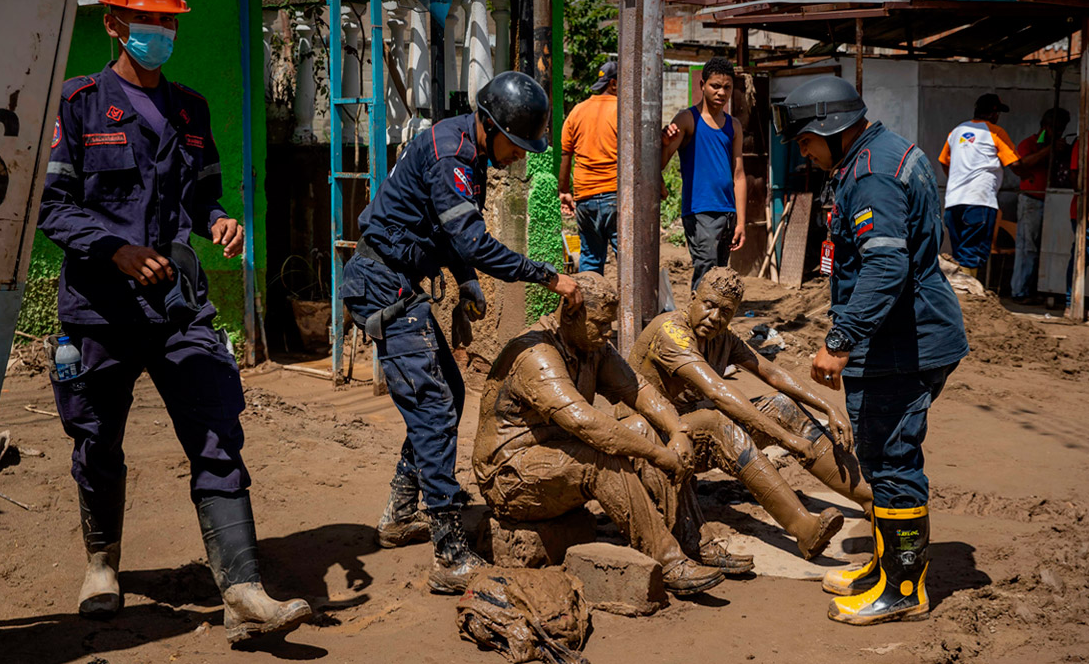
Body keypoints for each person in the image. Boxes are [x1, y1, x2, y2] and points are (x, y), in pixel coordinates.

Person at [38, 0, 310, 643]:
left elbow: (200, 196)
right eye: (148, 20)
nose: (161, 31)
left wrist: (218, 220)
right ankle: (102, 564)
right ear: (114, 23)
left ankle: (243, 591)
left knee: (218, 426)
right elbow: (51, 208)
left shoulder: (191, 109)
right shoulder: (76, 105)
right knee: (97, 439)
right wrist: (114, 249)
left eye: (169, 20)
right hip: (99, 310)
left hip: (177, 307)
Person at [341, 71, 581, 595]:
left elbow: (442, 229)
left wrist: (466, 280)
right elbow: (471, 238)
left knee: (444, 394)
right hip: (383, 284)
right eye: (515, 146)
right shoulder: (452, 156)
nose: (518, 157)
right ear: (489, 124)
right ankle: (449, 553)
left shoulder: (465, 149)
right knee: (432, 407)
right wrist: (547, 274)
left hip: (397, 278)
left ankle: (400, 514)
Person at [773, 76, 968, 625]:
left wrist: (840, 340)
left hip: (905, 343)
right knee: (883, 458)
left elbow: (887, 266)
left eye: (808, 139)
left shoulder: (873, 173)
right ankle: (886, 571)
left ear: (833, 128)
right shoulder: (880, 154)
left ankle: (903, 590)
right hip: (902, 335)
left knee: (893, 460)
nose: (805, 151)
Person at [473, 272, 737, 595]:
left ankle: (690, 536)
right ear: (570, 314)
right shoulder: (536, 355)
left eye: (609, 323)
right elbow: (588, 425)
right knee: (599, 459)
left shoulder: (592, 344)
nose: (608, 332)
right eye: (600, 324)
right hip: (509, 477)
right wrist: (657, 454)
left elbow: (636, 387)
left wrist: (676, 429)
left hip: (554, 453)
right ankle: (667, 560)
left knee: (642, 426)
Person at [628, 266, 871, 561]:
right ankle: (805, 529)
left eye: (725, 311)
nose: (715, 317)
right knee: (719, 422)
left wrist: (829, 407)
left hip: (688, 435)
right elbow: (719, 391)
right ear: (692, 299)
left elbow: (770, 371)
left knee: (780, 406)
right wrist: (785, 439)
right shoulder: (671, 332)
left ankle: (868, 499)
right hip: (647, 443)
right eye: (709, 305)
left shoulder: (722, 338)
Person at [661, 57, 747, 291]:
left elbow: (739, 175)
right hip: (700, 211)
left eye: (727, 87)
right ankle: (698, 324)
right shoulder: (687, 119)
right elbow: (660, 162)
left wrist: (740, 221)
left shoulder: (734, 125)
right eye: (715, 86)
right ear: (702, 85)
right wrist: (664, 142)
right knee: (706, 273)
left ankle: (715, 327)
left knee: (721, 277)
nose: (721, 92)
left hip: (727, 212)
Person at [939, 93, 1043, 277]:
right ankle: (968, 299)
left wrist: (958, 178)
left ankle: (958, 298)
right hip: (979, 201)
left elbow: (943, 161)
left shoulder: (956, 131)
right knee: (971, 256)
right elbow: (1016, 166)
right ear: (994, 114)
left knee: (960, 255)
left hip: (953, 203)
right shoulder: (996, 132)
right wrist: (1034, 166)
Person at [559, 61, 619, 274]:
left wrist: (564, 191)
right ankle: (632, 308)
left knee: (591, 259)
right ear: (613, 83)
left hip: (584, 198)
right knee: (628, 262)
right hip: (615, 196)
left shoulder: (577, 111)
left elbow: (566, 154)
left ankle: (590, 306)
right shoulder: (622, 110)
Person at [1011, 108, 1070, 303]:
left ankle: (1043, 289)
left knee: (1051, 249)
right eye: (1056, 129)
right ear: (1046, 127)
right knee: (1028, 248)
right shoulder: (1029, 144)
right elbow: (1022, 165)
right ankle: (1021, 291)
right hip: (1032, 200)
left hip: (1055, 202)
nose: (1059, 133)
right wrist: (1049, 149)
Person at [1067, 139, 1088, 317]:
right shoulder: (1083, 142)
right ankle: (1071, 302)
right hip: (1082, 210)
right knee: (1081, 254)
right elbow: (1074, 174)